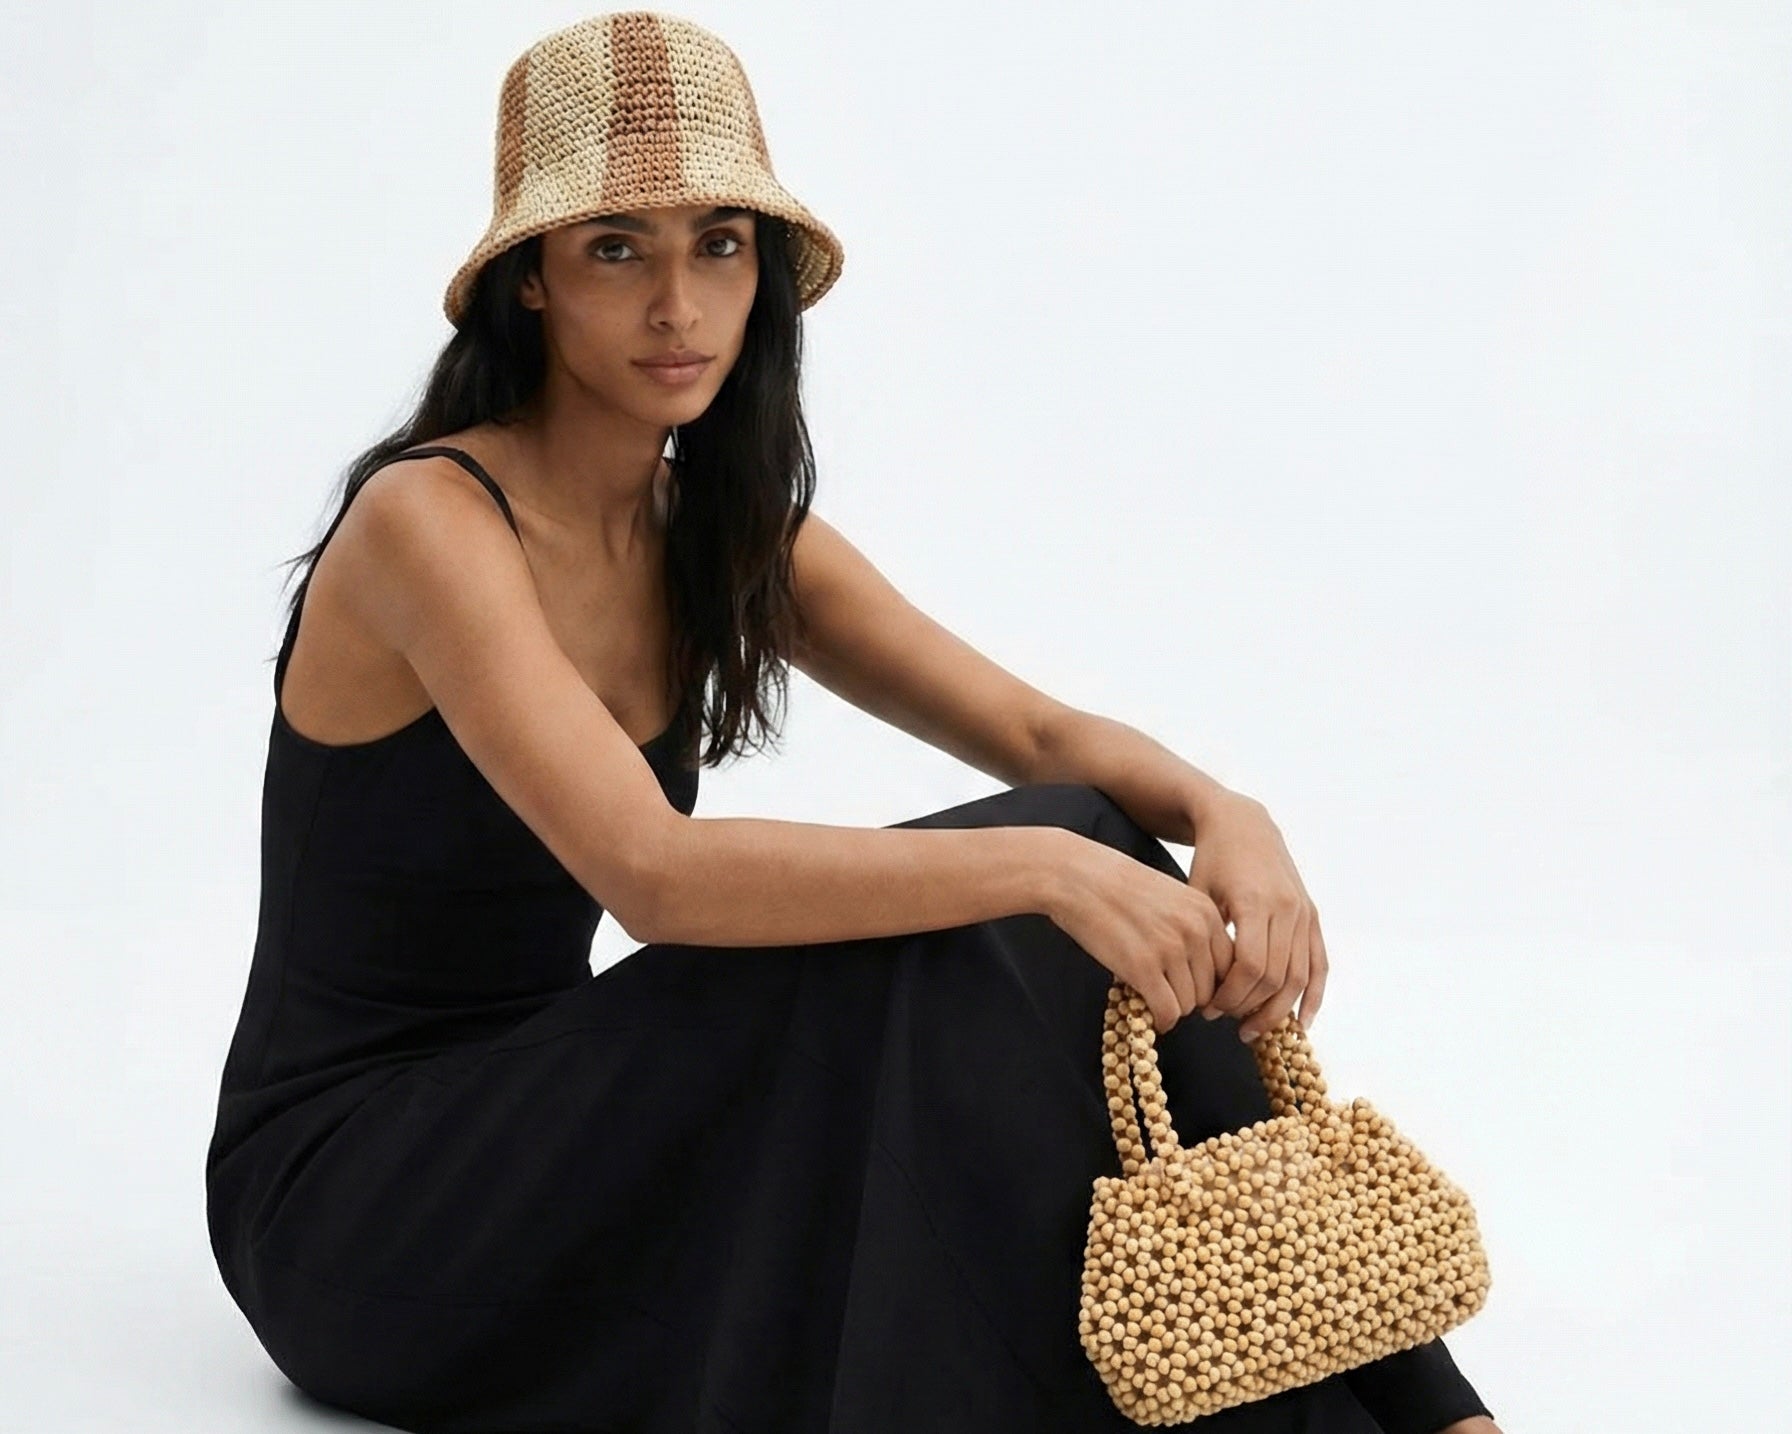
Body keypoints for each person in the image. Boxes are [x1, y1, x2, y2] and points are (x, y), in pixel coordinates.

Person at [204, 12, 1502, 1434]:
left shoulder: (714, 530)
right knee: (1023, 890)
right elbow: (656, 878)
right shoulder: (431, 523)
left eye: (719, 245)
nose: (678, 305)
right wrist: (1047, 873)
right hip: (362, 1197)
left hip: (568, 1114)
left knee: (1071, 863)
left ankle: (1430, 1409)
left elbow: (1035, 735)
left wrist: (1225, 814)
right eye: (617, 249)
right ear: (532, 281)